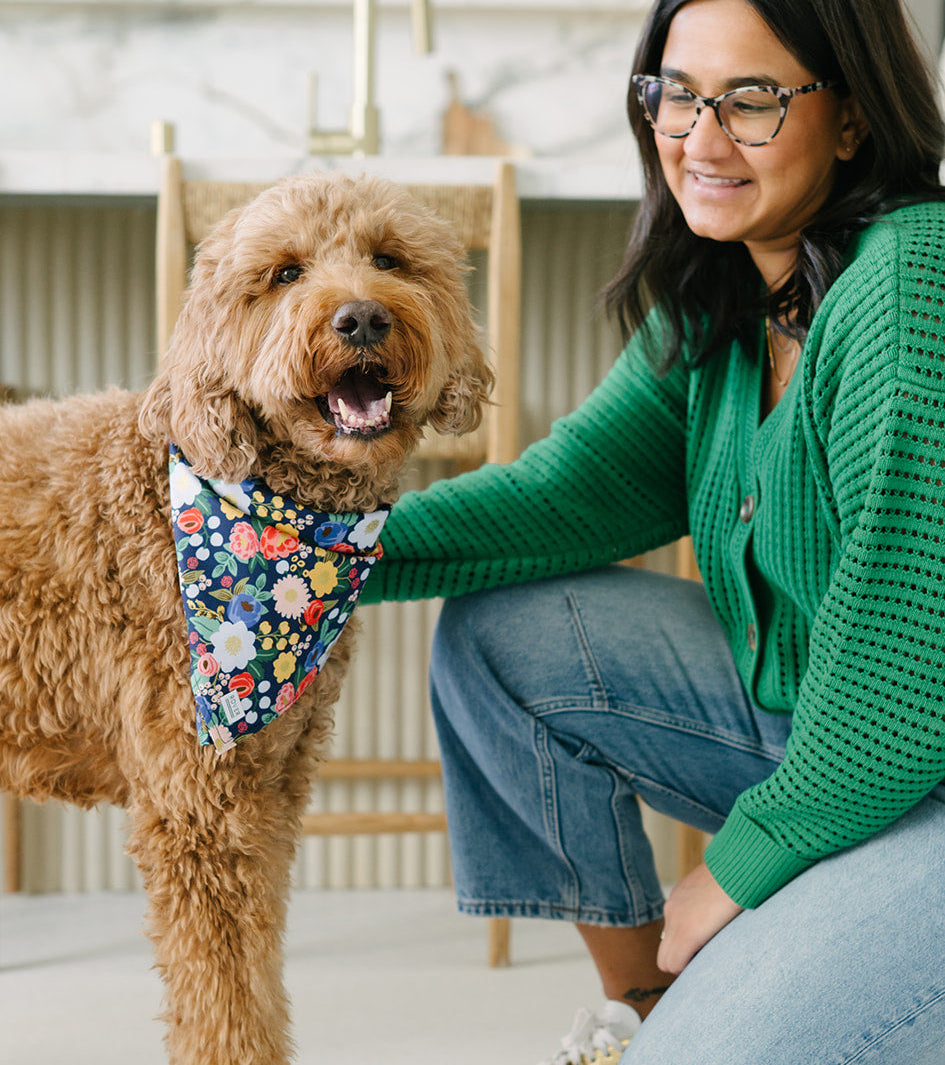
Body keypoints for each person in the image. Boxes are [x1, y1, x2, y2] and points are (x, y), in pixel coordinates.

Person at [358, 0, 945, 1061]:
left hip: (916, 757)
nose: (699, 139)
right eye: (676, 95)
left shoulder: (912, 282)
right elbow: (559, 498)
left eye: (752, 101)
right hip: (826, 727)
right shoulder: (727, 291)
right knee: (504, 631)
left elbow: (914, 670)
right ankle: (645, 1008)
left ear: (852, 120)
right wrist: (308, 557)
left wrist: (739, 866)